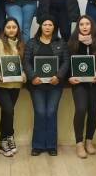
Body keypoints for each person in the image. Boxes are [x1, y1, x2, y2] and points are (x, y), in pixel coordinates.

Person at [24, 15, 70, 156]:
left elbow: (66, 62)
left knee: (51, 112)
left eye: (50, 25)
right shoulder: (32, 43)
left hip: (55, 84)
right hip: (36, 85)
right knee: (40, 112)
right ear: (41, 26)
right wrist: (32, 77)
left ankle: (51, 145)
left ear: (54, 27)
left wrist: (58, 76)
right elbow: (26, 61)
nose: (47, 27)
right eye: (45, 24)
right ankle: (37, 145)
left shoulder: (61, 42)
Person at [68, 15, 96, 158]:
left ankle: (89, 140)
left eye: (87, 24)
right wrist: (69, 78)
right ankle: (79, 143)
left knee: (93, 110)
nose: (84, 26)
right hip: (78, 83)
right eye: (81, 24)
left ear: (92, 26)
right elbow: (67, 62)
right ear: (78, 27)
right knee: (81, 109)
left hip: (95, 83)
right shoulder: (72, 42)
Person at [0, 17, 26, 157]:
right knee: (8, 109)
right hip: (0, 84)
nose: (11, 30)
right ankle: (7, 137)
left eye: (14, 27)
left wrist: (24, 73)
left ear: (18, 29)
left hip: (16, 84)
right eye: (8, 27)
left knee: (8, 112)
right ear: (4, 29)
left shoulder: (22, 44)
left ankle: (5, 140)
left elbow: (23, 64)